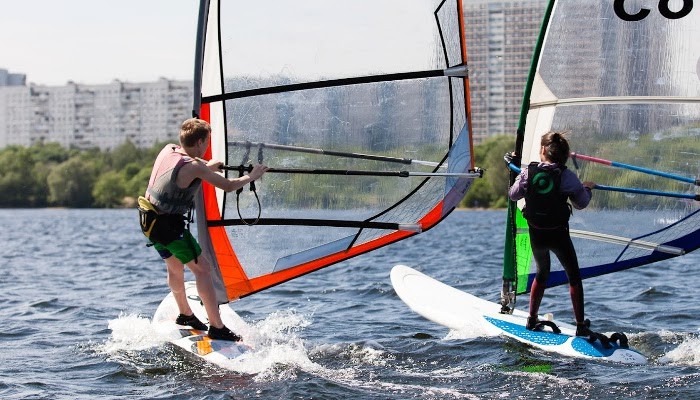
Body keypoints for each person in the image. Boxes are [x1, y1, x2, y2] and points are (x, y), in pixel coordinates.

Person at [141, 118, 268, 341]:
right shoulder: (195, 166)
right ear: (200, 142)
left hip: (148, 221)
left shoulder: (168, 150)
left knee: (174, 267)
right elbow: (228, 186)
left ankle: (186, 314)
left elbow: (182, 172)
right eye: (206, 141)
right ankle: (217, 327)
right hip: (169, 228)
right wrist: (252, 176)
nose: (207, 146)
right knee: (204, 270)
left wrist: (206, 168)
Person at [506, 131, 596, 336]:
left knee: (542, 273)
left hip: (537, 235)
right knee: (573, 277)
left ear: (544, 150)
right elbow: (580, 203)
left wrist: (514, 173)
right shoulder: (567, 176)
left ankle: (531, 319)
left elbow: (513, 195)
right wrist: (588, 188)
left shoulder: (529, 172)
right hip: (559, 236)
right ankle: (581, 325)